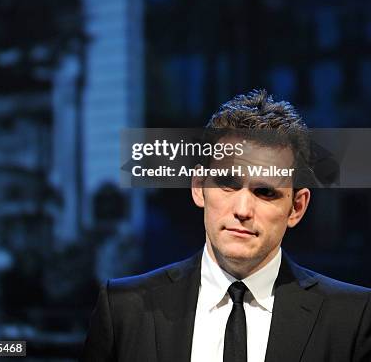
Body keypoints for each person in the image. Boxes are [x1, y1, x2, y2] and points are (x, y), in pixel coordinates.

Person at [81, 89, 371, 362]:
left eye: (265, 192)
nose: (243, 210)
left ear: (297, 207)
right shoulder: (123, 309)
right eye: (227, 184)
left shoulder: (352, 318)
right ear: (198, 187)